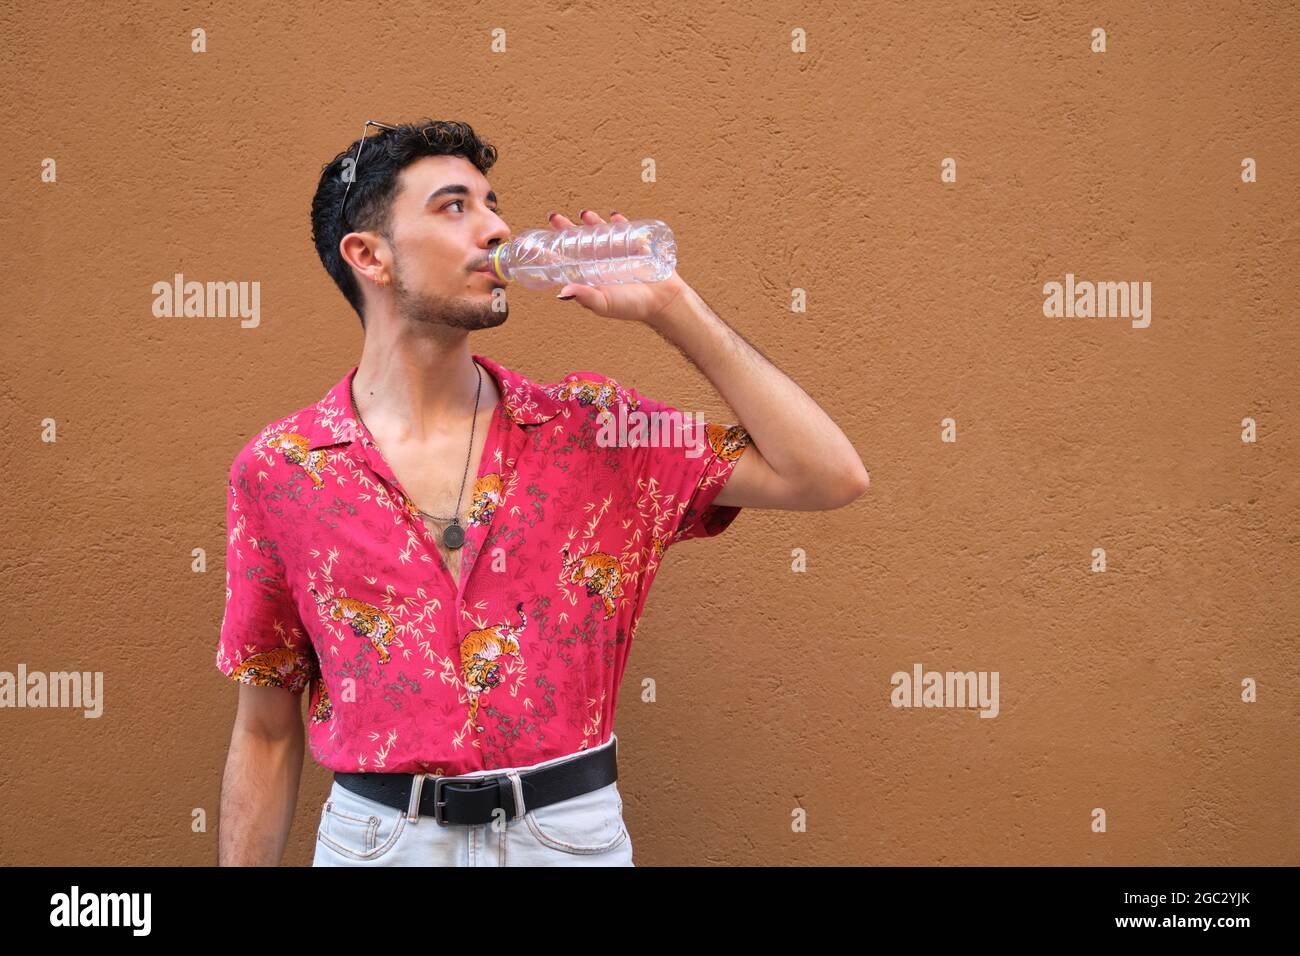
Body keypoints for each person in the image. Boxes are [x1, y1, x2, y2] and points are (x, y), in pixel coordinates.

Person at [215, 119, 870, 867]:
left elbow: (827, 474)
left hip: (565, 840)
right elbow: (266, 727)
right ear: (370, 257)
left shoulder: (595, 430)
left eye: (493, 204)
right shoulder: (282, 469)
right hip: (376, 844)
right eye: (454, 206)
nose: (495, 227)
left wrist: (672, 309)